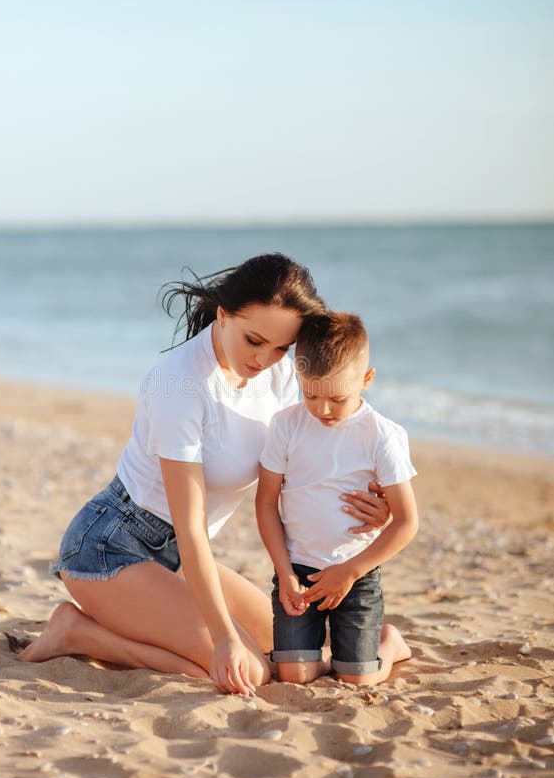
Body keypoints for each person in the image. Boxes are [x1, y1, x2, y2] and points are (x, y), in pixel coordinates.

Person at [20, 254, 392, 696]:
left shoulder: (275, 377)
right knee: (246, 669)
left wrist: (377, 506)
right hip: (110, 551)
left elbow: (308, 465)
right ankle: (76, 633)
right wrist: (224, 639)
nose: (265, 359)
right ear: (222, 314)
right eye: (254, 340)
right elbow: (191, 526)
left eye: (281, 348)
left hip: (178, 557)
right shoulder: (179, 384)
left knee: (286, 654)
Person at [256, 310, 418, 686]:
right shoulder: (286, 425)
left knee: (357, 681)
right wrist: (284, 573)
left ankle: (389, 644)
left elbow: (408, 522)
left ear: (366, 379)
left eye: (337, 398)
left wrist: (350, 571)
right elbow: (265, 504)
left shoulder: (382, 435)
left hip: (354, 574)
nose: (322, 409)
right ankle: (323, 654)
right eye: (310, 393)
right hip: (297, 573)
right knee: (294, 678)